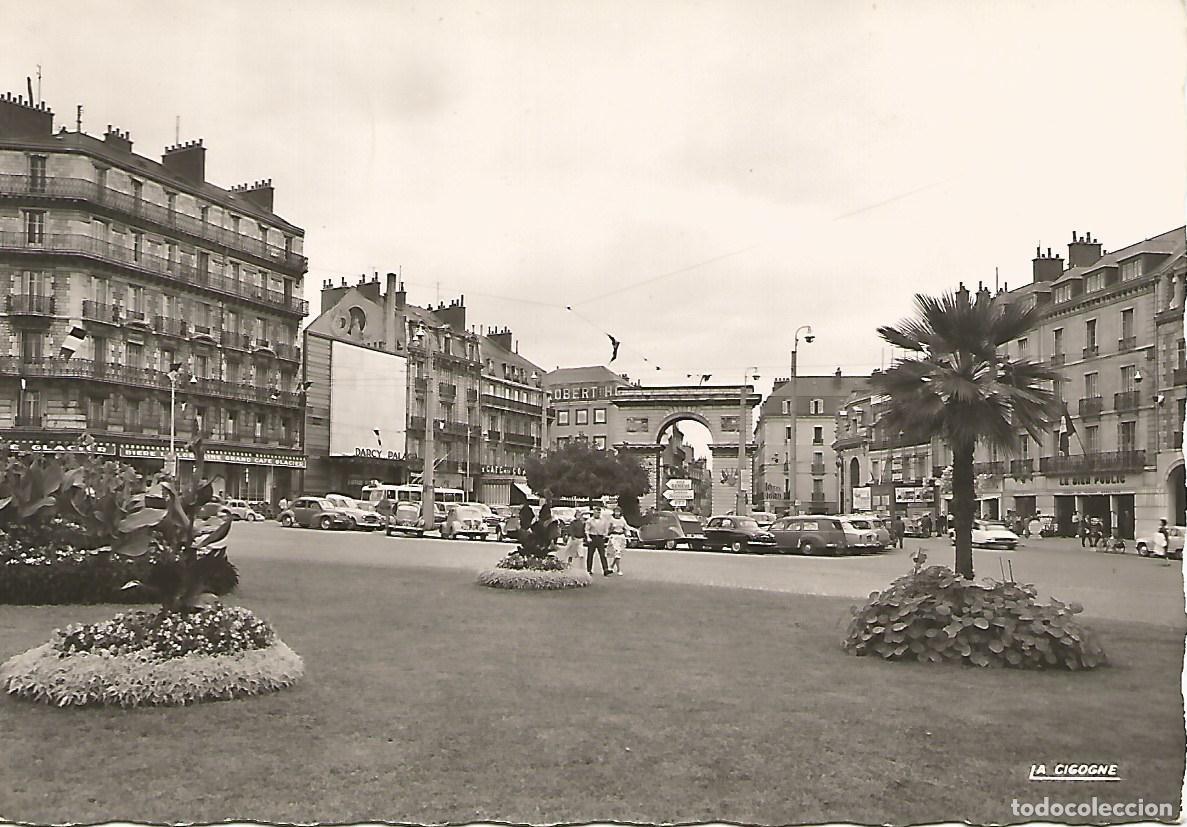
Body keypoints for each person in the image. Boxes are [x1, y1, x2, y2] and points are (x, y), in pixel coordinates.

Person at [585, 505, 612, 576]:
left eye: (598, 512)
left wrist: (605, 535)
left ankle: (605, 569)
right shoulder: (590, 520)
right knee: (590, 554)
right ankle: (589, 569)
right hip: (592, 537)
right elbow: (587, 530)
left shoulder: (603, 520)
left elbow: (606, 528)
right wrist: (588, 537)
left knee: (602, 554)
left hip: (600, 538)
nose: (597, 514)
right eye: (596, 512)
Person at [608, 506, 629, 575]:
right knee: (617, 552)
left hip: (621, 537)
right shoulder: (611, 519)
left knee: (619, 554)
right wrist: (611, 529)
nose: (617, 513)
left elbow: (626, 527)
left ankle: (611, 566)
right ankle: (618, 569)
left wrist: (628, 533)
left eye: (618, 512)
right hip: (614, 536)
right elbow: (608, 529)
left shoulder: (622, 519)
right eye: (616, 512)